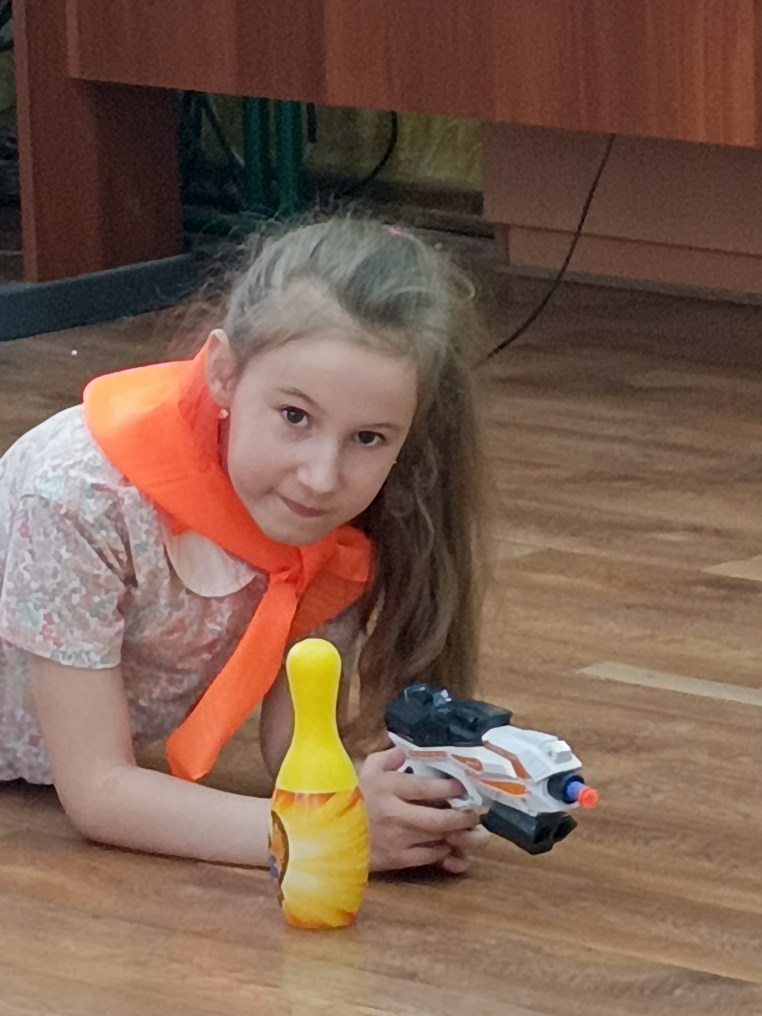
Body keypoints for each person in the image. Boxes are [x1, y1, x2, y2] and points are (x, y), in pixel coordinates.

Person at [0, 217, 489, 873]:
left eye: (369, 438)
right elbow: (97, 793)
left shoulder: (327, 513)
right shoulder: (79, 499)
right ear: (225, 373)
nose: (322, 476)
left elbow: (295, 744)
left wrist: (401, 812)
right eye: (295, 416)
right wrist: (321, 831)